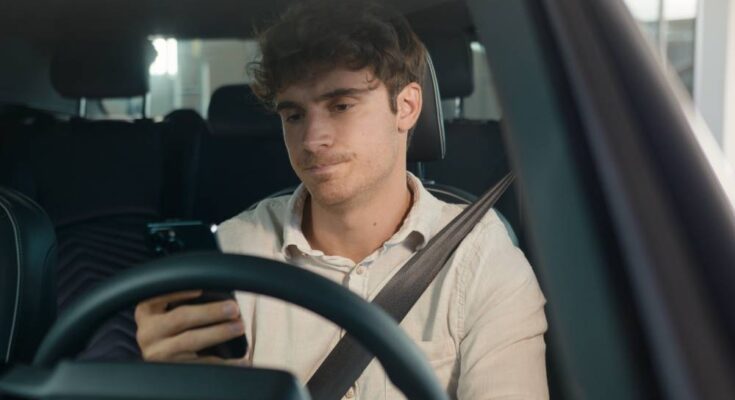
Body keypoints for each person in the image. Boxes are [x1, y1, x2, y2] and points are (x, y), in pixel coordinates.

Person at [134, 0, 549, 398]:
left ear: (406, 107)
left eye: (341, 105)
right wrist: (169, 381)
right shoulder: (233, 253)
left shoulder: (481, 258)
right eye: (294, 115)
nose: (313, 140)